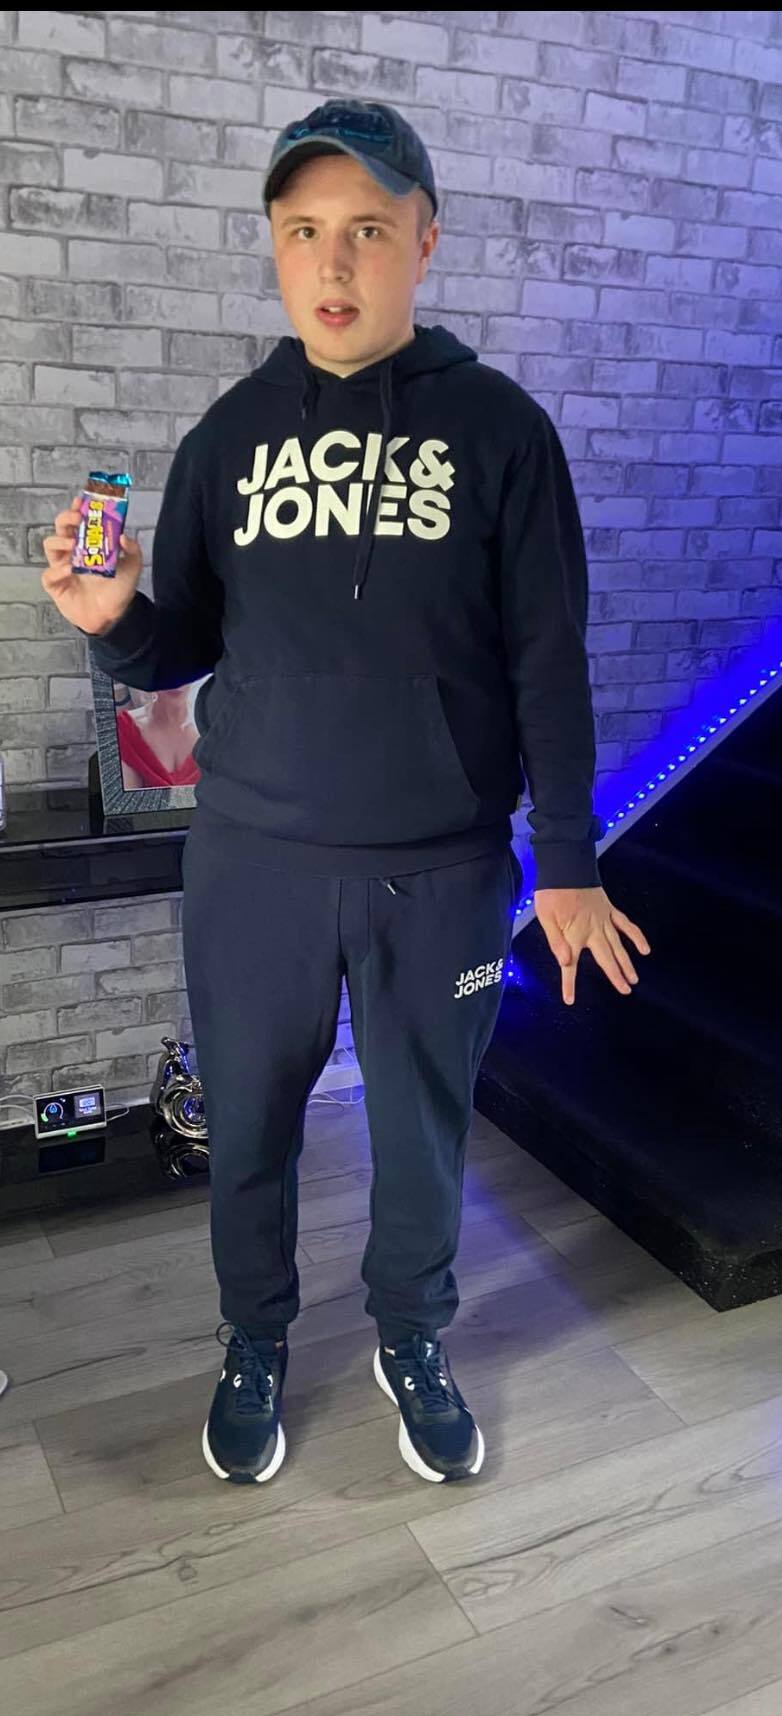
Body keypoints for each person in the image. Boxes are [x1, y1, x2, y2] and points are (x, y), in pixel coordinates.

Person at [41, 98, 650, 1490]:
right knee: (247, 1126)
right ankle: (253, 1338)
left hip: (440, 874)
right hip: (252, 863)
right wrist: (113, 622)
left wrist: (568, 860)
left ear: (423, 242)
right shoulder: (231, 436)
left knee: (421, 1134)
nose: (333, 262)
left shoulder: (501, 431)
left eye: (369, 230)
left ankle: (412, 1334)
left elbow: (550, 661)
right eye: (305, 230)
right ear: (274, 243)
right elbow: (180, 642)